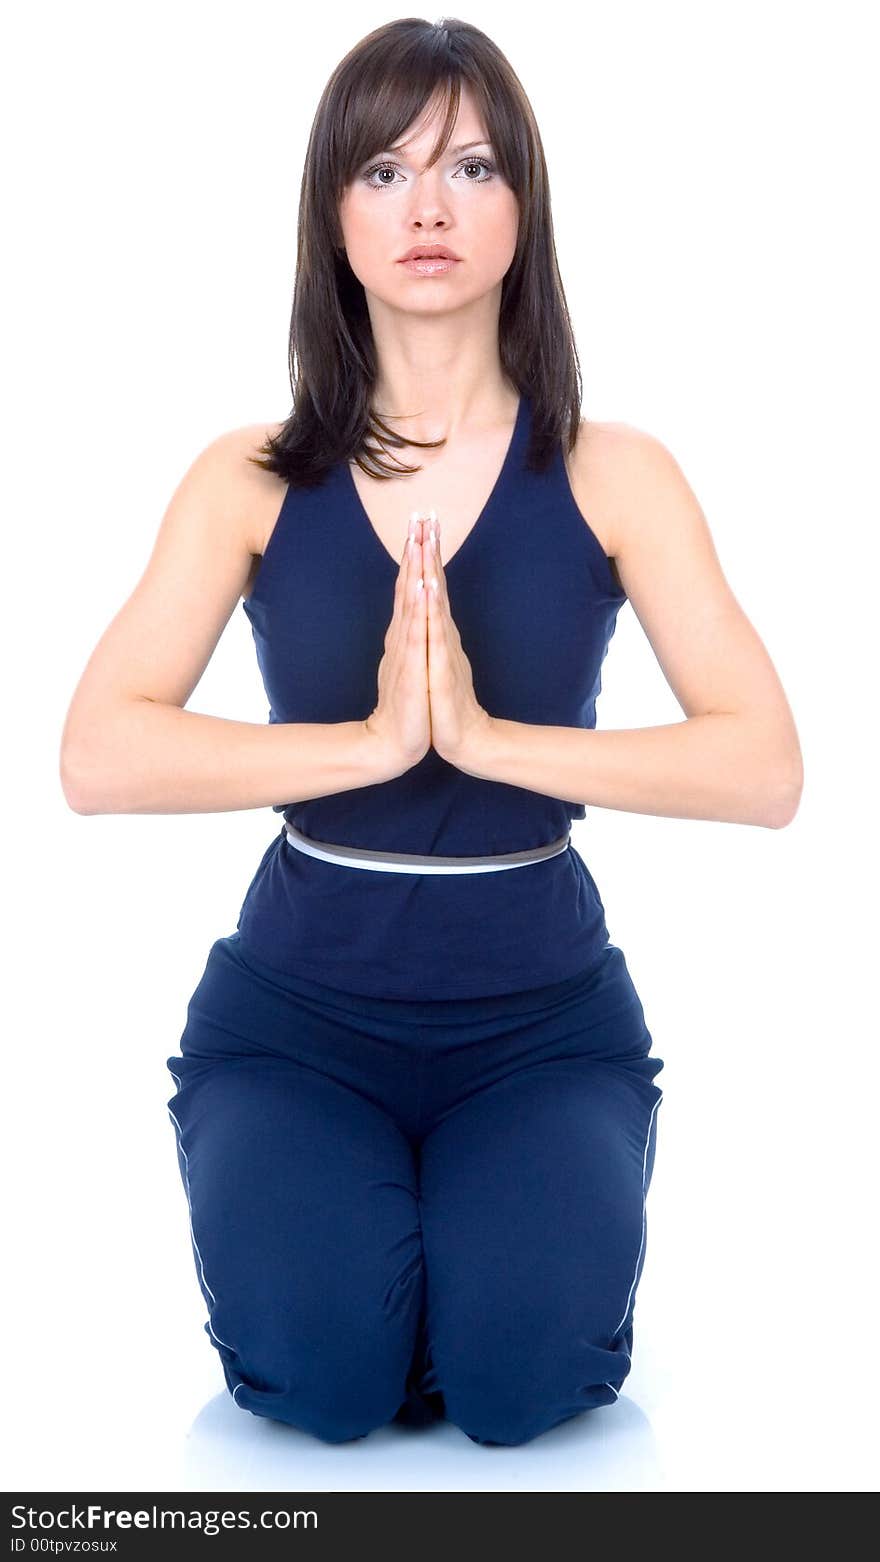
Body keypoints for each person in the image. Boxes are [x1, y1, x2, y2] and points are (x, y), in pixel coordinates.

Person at [59, 19, 803, 1448]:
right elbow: (97, 752)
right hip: (298, 1027)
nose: (430, 209)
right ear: (333, 216)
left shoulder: (615, 472)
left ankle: (473, 1281)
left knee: (522, 1393)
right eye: (385, 170)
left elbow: (763, 765)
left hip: (541, 1028)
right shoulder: (251, 477)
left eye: (471, 165)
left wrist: (486, 736)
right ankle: (374, 1285)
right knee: (324, 1391)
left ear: (523, 207)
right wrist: (372, 745)